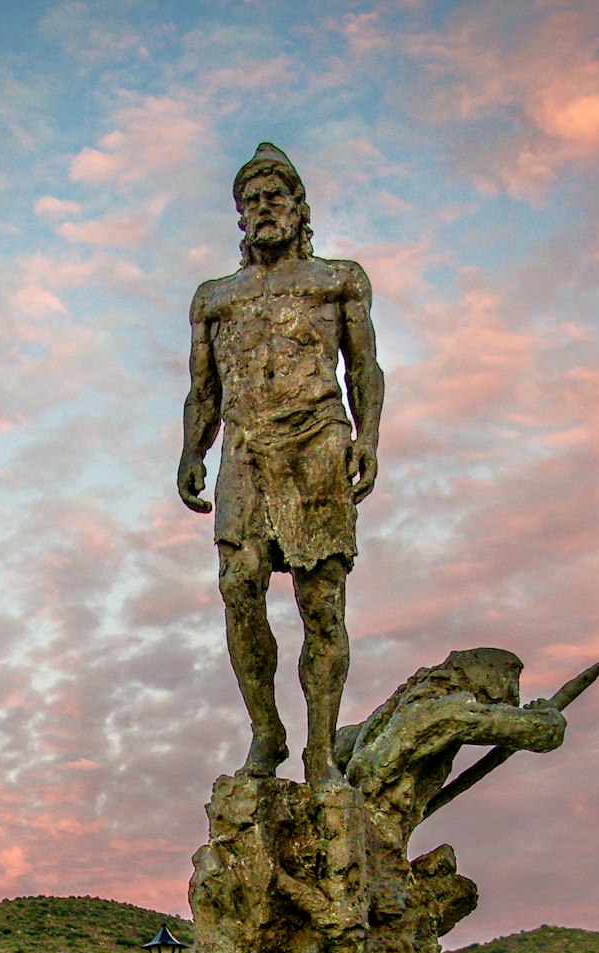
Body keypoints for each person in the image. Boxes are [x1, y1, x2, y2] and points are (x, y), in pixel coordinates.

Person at [177, 142, 384, 786]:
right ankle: (266, 731)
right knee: (239, 590)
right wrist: (191, 450)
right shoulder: (215, 298)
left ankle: (321, 750)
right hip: (244, 449)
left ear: (299, 207)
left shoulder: (337, 280)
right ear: (240, 218)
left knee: (320, 602)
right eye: (251, 202)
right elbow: (203, 388)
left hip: (316, 443)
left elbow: (365, 367)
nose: (264, 210)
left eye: (275, 197)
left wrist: (369, 438)